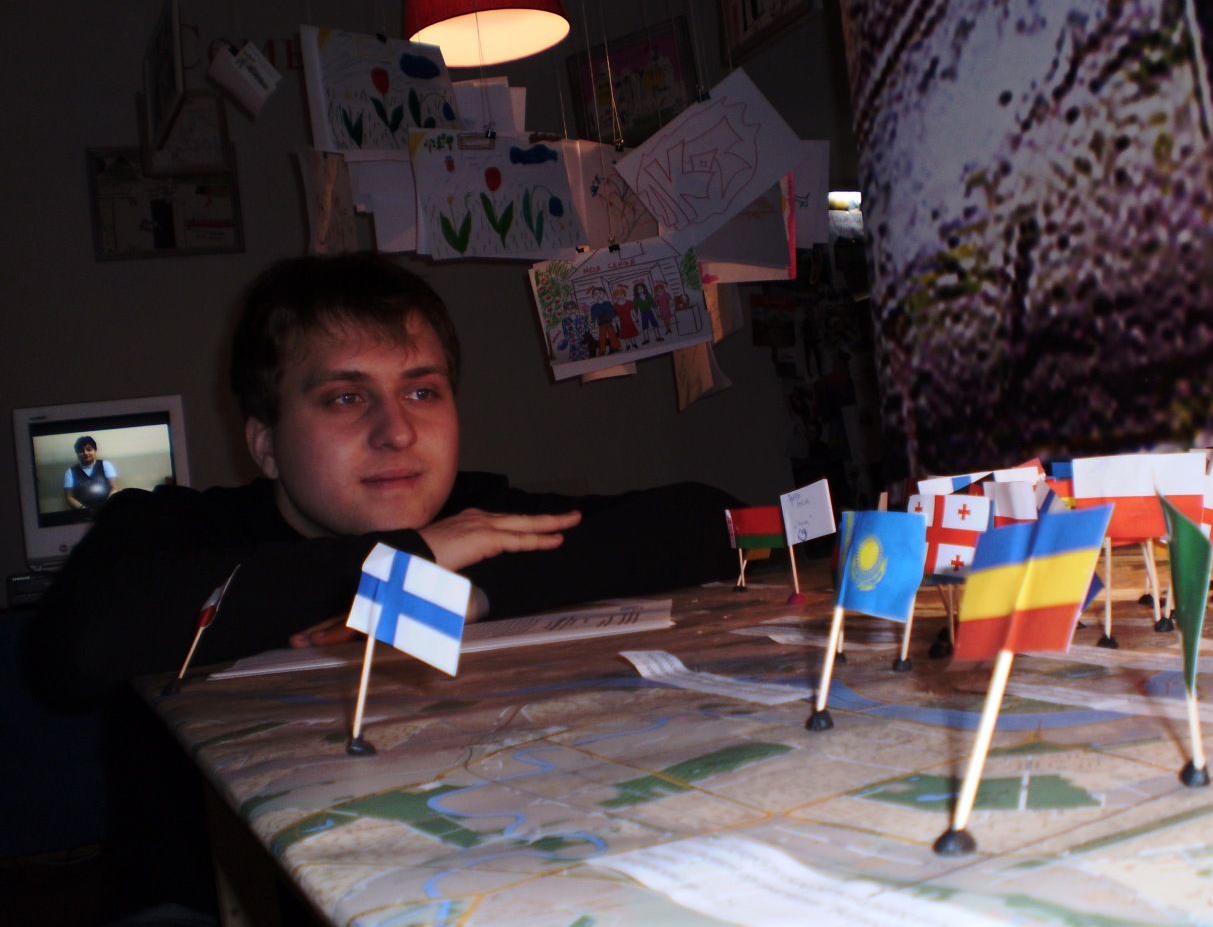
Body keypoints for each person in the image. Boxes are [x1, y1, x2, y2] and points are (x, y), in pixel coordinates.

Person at [24, 252, 743, 922]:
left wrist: (462, 592)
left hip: (468, 874)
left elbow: (716, 520)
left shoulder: (476, 515)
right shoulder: (171, 528)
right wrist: (409, 558)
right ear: (265, 443)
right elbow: (77, 648)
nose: (397, 431)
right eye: (345, 397)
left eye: (422, 391)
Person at [63, 434, 120, 514]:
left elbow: (114, 488)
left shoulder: (105, 465)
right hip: (82, 513)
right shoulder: (70, 472)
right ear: (77, 453)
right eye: (81, 451)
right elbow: (69, 496)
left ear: (95, 450)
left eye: (89, 449)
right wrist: (84, 510)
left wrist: (107, 507)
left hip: (107, 511)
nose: (86, 453)